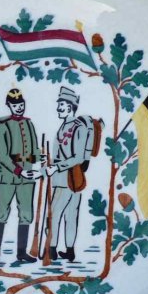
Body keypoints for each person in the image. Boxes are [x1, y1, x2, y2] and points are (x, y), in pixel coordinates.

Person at [0, 88, 44, 263]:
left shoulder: (29, 124)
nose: (19, 107)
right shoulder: (2, 127)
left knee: (26, 214)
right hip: (7, 178)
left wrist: (41, 157)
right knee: (2, 213)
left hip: (26, 179)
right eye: (15, 105)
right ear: (9, 106)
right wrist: (19, 170)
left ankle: (21, 252)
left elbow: (34, 150)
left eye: (21, 104)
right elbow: (3, 156)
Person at [44, 86, 88, 262]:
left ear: (70, 107)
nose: (58, 108)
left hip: (69, 178)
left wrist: (56, 167)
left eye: (61, 105)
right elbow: (60, 154)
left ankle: (53, 248)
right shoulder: (64, 126)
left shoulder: (79, 127)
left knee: (58, 214)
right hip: (66, 178)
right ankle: (68, 251)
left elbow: (78, 157)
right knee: (69, 214)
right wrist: (49, 161)